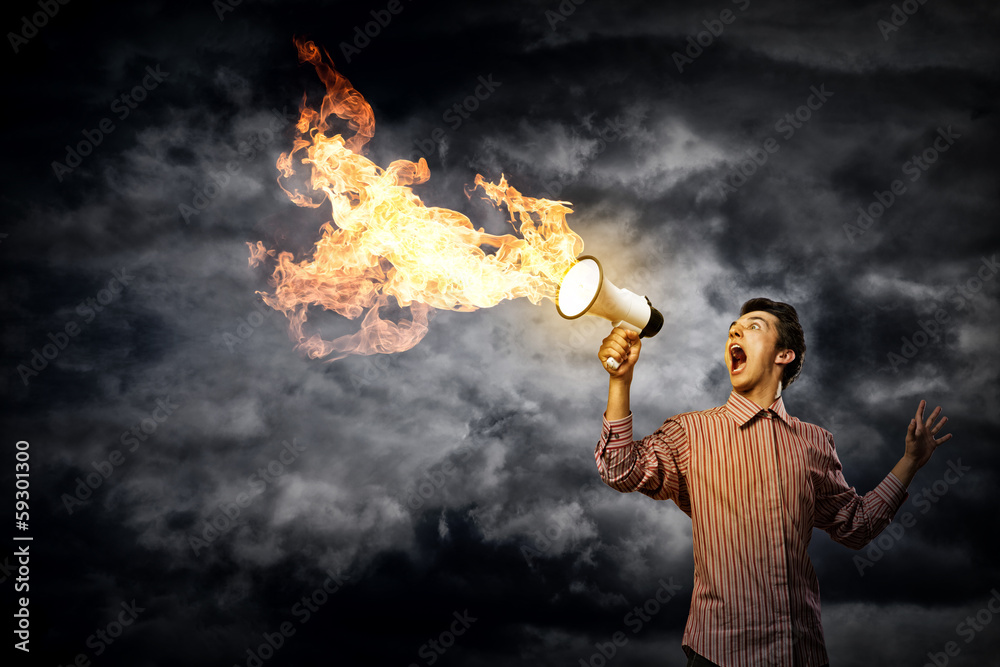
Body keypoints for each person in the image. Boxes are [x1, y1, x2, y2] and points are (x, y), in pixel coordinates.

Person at [594, 297, 952, 667]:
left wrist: (910, 461)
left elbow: (856, 527)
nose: (735, 330)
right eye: (734, 327)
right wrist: (620, 381)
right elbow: (620, 470)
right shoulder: (690, 433)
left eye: (753, 326)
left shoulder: (815, 442)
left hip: (802, 655)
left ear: (785, 355)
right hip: (719, 655)